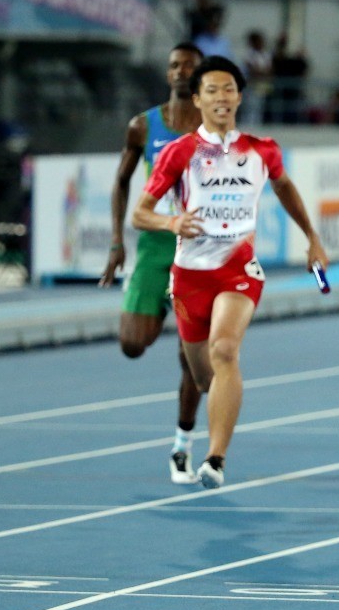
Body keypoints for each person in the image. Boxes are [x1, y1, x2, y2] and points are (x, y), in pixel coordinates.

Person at [131, 55, 328, 489]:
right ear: (197, 100)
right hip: (189, 276)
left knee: (225, 351)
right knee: (202, 375)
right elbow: (140, 213)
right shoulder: (180, 153)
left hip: (238, 270)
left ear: (239, 96)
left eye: (228, 89)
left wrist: (312, 238)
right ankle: (186, 434)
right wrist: (171, 222)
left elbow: (285, 187)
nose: (221, 97)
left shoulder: (262, 149)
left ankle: (216, 459)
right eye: (212, 90)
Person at [100, 42, 204, 485]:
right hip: (154, 245)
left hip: (199, 251)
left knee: (191, 361)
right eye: (174, 65)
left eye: (189, 66)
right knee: (132, 344)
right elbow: (122, 181)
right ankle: (161, 309)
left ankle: (181, 445)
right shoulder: (143, 126)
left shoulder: (215, 127)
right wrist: (115, 242)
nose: (180, 71)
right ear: (167, 74)